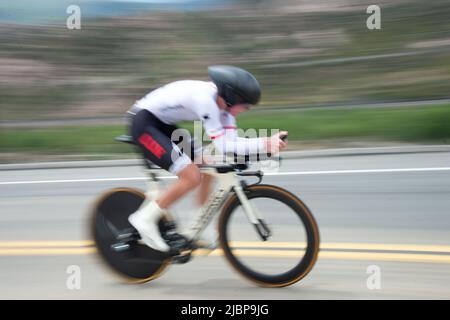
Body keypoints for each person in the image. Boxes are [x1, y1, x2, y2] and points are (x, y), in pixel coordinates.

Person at [127, 65, 288, 252]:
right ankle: (144, 218)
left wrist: (264, 147)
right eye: (245, 105)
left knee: (210, 166)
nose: (246, 109)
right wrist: (264, 143)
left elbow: (232, 142)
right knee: (191, 176)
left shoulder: (225, 109)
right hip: (143, 122)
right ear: (231, 98)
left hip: (163, 124)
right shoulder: (206, 101)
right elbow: (225, 145)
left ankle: (198, 221)